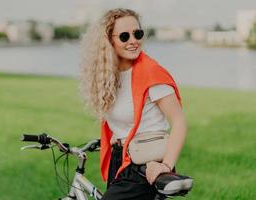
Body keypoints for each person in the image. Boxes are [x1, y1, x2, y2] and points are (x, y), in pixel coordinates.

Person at [79, 8, 191, 200]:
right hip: (121, 161)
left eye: (137, 34)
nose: (133, 41)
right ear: (109, 41)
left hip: (146, 166)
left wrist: (165, 166)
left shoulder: (151, 73)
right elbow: (131, 115)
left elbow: (179, 122)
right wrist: (119, 134)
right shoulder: (110, 76)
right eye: (124, 36)